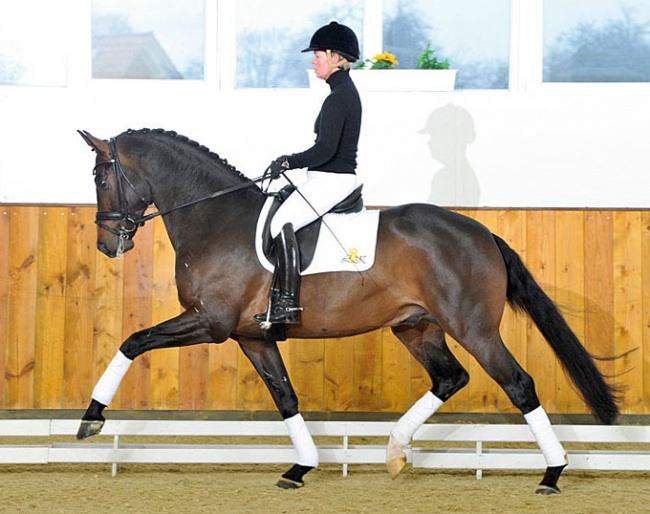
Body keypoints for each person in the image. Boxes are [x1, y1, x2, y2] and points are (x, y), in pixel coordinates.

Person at [254, 21, 362, 326]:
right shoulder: (340, 93)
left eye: (318, 54)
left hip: (332, 179)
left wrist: (288, 161)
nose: (313, 60)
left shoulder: (339, 98)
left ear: (336, 57)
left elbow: (324, 151)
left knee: (281, 222)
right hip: (325, 178)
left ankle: (287, 304)